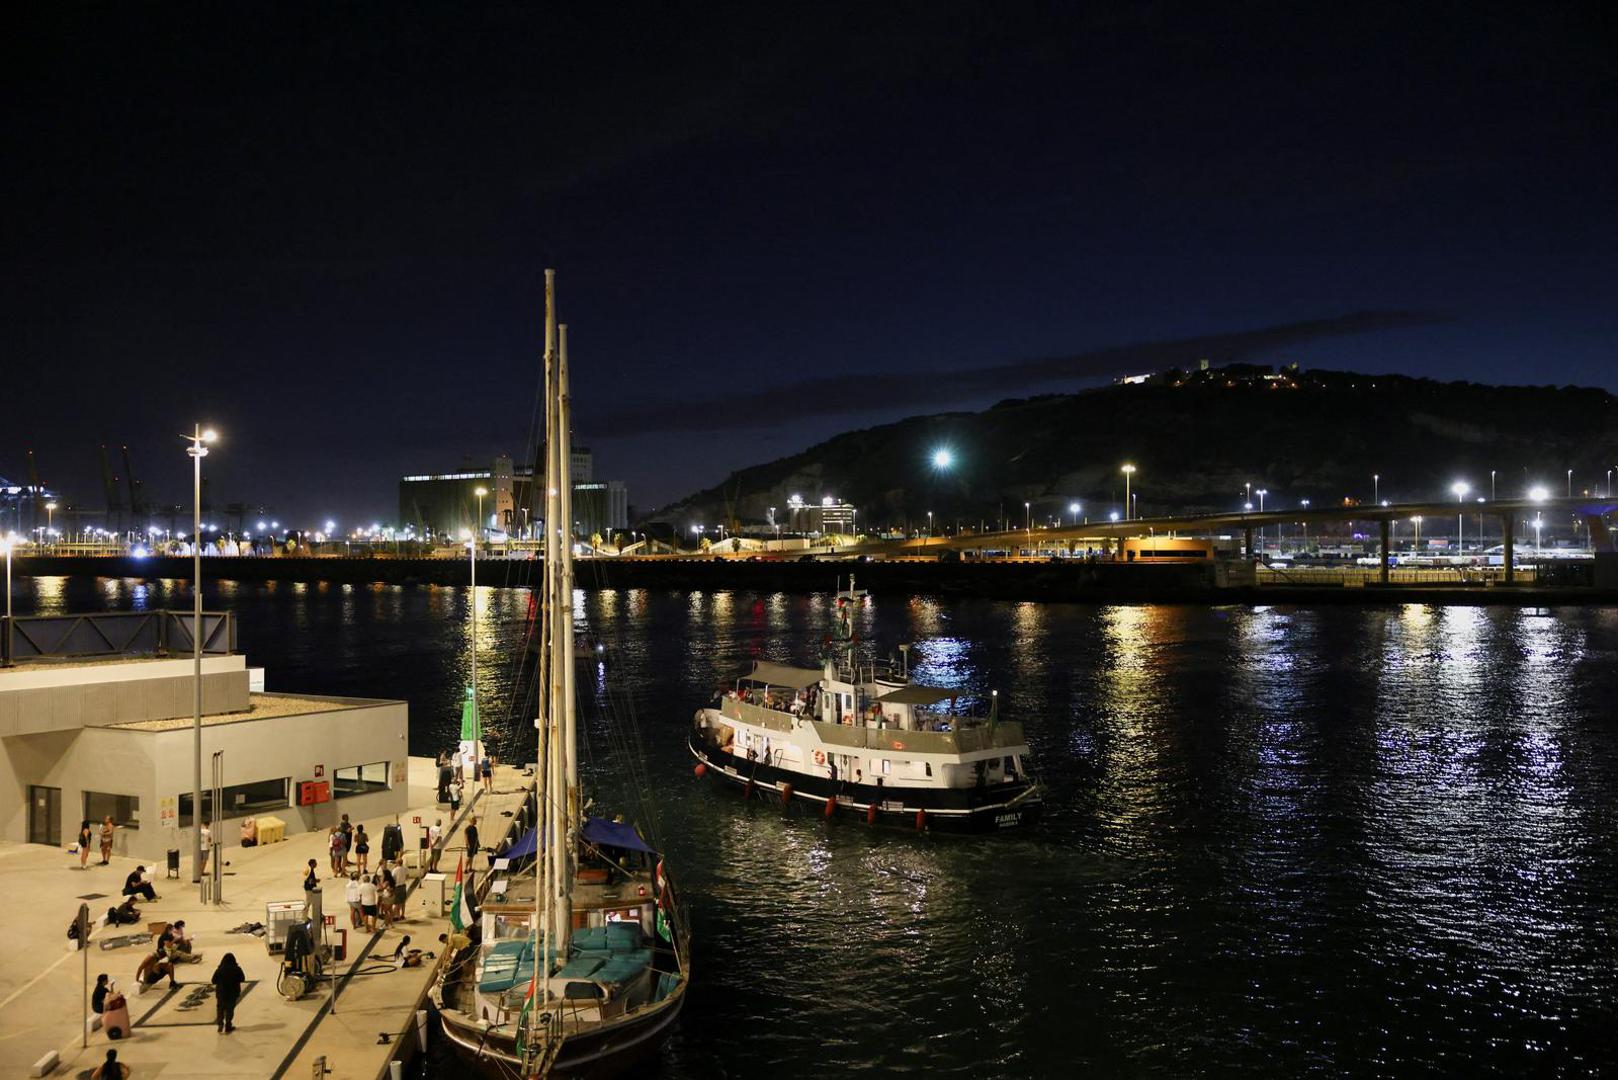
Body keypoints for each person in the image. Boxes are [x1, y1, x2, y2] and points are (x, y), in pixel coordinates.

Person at [211, 952, 245, 1033]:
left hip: (221, 993)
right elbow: (242, 979)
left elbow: (213, 981)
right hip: (233, 993)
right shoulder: (237, 969)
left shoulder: (219, 970)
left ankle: (220, 1024)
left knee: (220, 1009)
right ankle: (228, 1025)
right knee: (230, 1009)